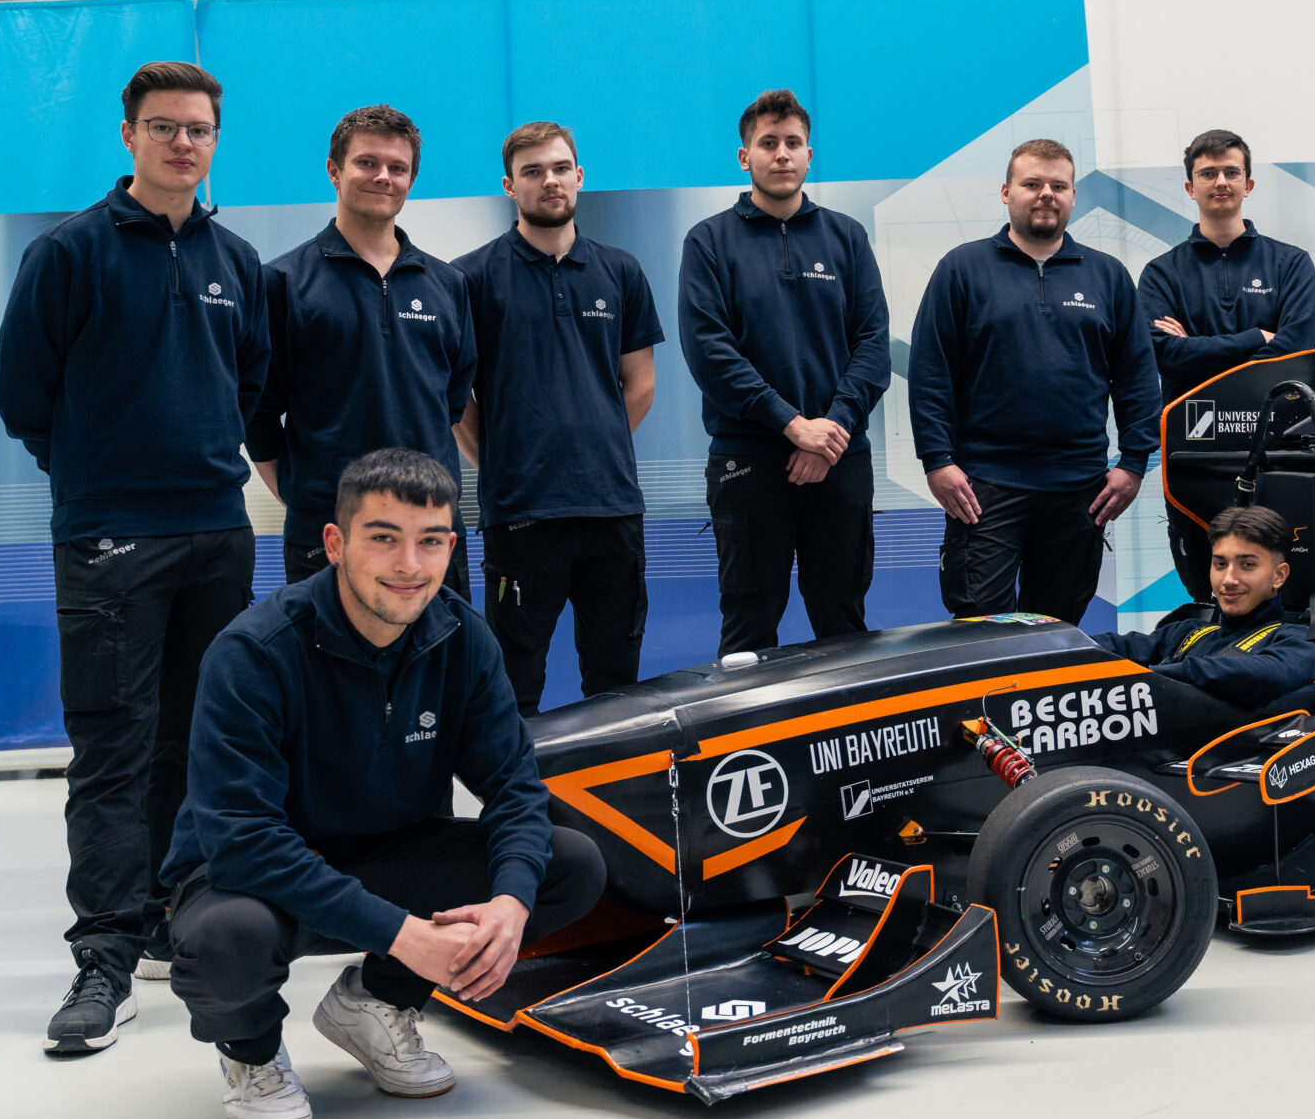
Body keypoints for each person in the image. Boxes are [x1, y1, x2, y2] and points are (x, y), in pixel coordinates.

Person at [161, 449, 606, 1119]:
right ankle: (251, 1051)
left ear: (451, 547)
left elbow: (516, 789)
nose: (408, 564)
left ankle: (374, 1002)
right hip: (258, 878)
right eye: (383, 538)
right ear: (335, 543)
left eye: (430, 541)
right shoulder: (253, 652)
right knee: (226, 940)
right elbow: (243, 843)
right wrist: (406, 936)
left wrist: (512, 904)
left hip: (391, 853)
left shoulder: (462, 637)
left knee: (567, 865)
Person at [0, 59, 268, 1054]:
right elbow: (25, 397)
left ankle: (174, 918)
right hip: (108, 537)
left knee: (200, 741)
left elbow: (247, 384)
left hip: (216, 532)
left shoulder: (236, 261)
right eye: (163, 127)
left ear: (214, 140)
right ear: (129, 136)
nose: (181, 143)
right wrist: (100, 477)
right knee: (114, 747)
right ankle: (104, 960)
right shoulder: (67, 254)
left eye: (197, 129)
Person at [908, 140, 1162, 626]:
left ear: (1073, 197)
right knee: (979, 628)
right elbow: (930, 372)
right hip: (984, 488)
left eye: (1058, 186)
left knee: (1058, 631)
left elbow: (1136, 377)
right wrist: (937, 460)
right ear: (1006, 192)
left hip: (1080, 490)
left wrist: (1133, 463)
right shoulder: (961, 269)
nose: (1046, 194)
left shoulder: (1108, 276)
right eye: (1032, 184)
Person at [453, 122, 662, 712]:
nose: (550, 180)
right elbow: (455, 399)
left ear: (579, 176)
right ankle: (520, 782)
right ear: (509, 186)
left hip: (611, 510)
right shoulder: (469, 278)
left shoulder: (621, 271)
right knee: (514, 692)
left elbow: (640, 385)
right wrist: (504, 461)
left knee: (617, 690)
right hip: (520, 514)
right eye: (533, 171)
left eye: (560, 168)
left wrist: (593, 452)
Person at [677, 87, 891, 653]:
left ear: (809, 155)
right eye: (767, 143)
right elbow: (710, 352)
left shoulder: (847, 237)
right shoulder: (708, 242)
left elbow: (873, 345)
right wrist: (794, 426)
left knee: (844, 626)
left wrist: (830, 433)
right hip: (749, 462)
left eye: (793, 143)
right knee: (748, 632)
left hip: (840, 459)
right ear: (744, 156)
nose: (782, 154)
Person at [248, 105, 476, 600]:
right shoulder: (283, 281)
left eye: (397, 167)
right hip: (327, 533)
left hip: (430, 530)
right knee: (327, 653)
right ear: (334, 170)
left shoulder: (448, 285)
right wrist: (302, 496)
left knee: (439, 652)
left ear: (411, 179)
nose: (383, 177)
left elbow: (451, 403)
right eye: (367, 163)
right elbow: (259, 413)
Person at [1140, 128, 1315, 402]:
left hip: (1274, 423)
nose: (1221, 182)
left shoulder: (1292, 264)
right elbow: (1167, 357)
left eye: (1232, 172)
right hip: (1191, 424)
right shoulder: (1161, 273)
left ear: (1248, 185)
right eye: (1208, 174)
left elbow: (1294, 355)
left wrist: (1193, 348)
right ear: (1190, 189)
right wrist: (1256, 338)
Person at [1092, 505, 1314, 711]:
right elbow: (1099, 648)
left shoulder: (1296, 640)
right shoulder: (1186, 632)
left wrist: (1151, 676)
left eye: (1247, 565)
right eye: (1220, 564)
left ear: (1279, 576)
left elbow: (1267, 674)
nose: (1228, 579)